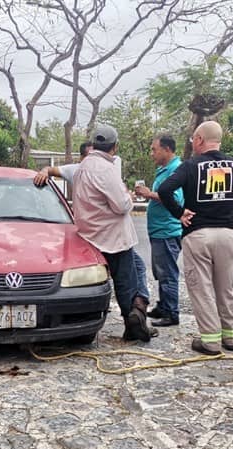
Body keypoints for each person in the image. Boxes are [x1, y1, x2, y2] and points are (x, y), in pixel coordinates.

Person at [158, 121, 233, 355]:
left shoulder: (191, 165)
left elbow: (165, 190)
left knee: (202, 289)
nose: (192, 143)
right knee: (226, 287)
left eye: (193, 139)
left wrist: (179, 213)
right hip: (227, 234)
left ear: (200, 140)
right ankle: (231, 338)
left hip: (199, 234)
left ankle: (210, 342)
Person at [73, 124, 152, 342]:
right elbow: (122, 206)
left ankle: (138, 315)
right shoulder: (105, 168)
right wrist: (128, 196)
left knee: (137, 267)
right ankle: (133, 324)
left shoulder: (83, 166)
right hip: (112, 237)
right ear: (114, 147)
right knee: (125, 282)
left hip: (90, 234)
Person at [134, 135, 183, 327]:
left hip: (167, 230)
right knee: (160, 271)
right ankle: (163, 306)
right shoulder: (164, 170)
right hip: (158, 230)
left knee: (168, 272)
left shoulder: (176, 171)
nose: (152, 153)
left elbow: (176, 200)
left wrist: (149, 194)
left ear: (167, 149)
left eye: (155, 149)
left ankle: (172, 313)